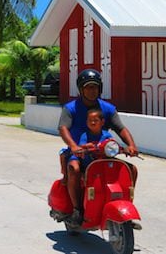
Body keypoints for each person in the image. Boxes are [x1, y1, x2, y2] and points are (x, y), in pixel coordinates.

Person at [58, 68, 138, 225]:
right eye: (88, 87)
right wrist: (73, 146)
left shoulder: (107, 108)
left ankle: (126, 207)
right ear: (81, 89)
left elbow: (120, 128)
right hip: (80, 152)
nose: (92, 91)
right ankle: (77, 210)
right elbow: (63, 128)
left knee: (131, 169)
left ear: (100, 88)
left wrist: (131, 145)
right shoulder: (71, 108)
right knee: (74, 169)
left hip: (102, 152)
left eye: (95, 87)